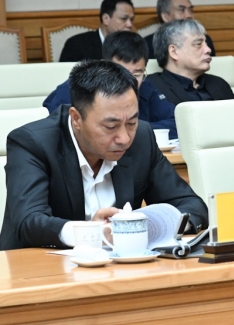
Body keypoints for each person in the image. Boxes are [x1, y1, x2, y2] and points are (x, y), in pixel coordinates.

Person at [1, 60, 207, 250]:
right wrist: (92, 233)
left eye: (131, 122)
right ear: (76, 118)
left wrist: (148, 225)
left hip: (121, 268)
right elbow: (29, 222)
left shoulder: (142, 138)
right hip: (38, 268)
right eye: (110, 126)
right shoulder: (32, 143)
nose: (124, 138)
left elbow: (192, 205)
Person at [140, 19, 234, 140]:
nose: (208, 50)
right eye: (198, 44)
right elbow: (141, 131)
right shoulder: (151, 86)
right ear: (174, 52)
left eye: (206, 43)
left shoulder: (219, 84)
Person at [43, 30, 149, 113]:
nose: (130, 81)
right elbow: (55, 126)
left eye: (137, 74)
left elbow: (160, 122)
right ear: (104, 65)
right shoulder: (75, 90)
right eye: (122, 73)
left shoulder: (146, 89)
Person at [58, 0, 136, 62]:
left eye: (131, 19)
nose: (129, 24)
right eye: (123, 18)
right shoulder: (77, 45)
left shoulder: (135, 45)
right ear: (106, 19)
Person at [145, 0, 216, 57]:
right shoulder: (148, 45)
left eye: (190, 10)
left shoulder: (205, 40)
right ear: (165, 17)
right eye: (181, 10)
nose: (189, 15)